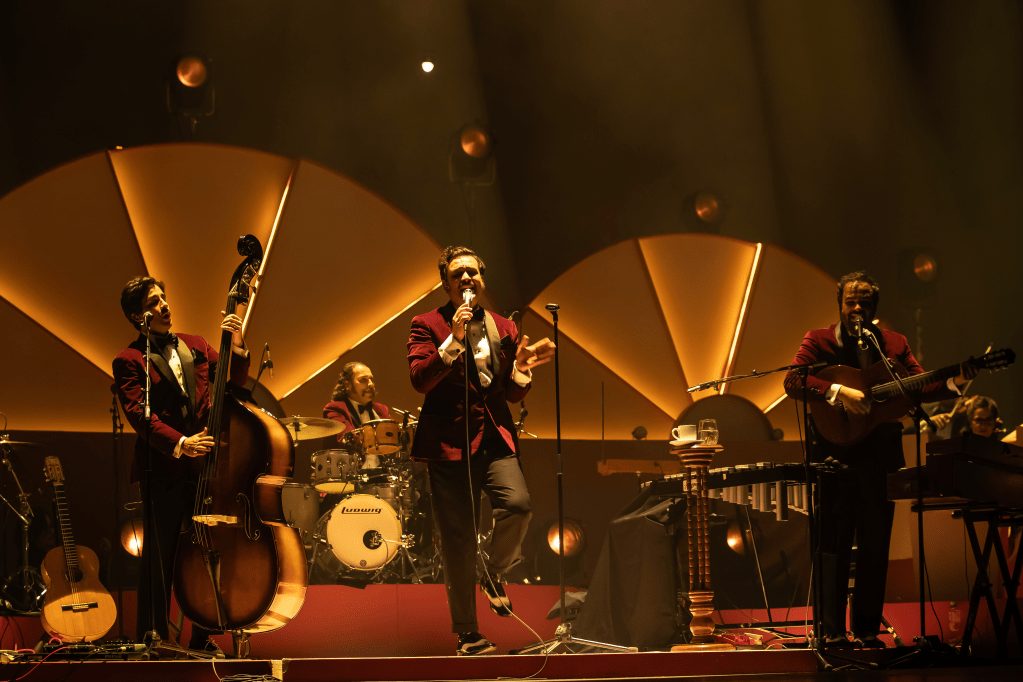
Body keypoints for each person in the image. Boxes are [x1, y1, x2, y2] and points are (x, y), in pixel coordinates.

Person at [784, 271, 975, 648]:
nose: (857, 308)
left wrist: (956, 381)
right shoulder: (818, 340)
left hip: (879, 455)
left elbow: (919, 385)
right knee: (833, 543)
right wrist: (839, 391)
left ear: (874, 307)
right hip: (833, 454)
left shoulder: (894, 343)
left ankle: (868, 630)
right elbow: (793, 381)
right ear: (840, 304)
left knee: (875, 544)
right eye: (851, 301)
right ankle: (832, 632)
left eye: (865, 302)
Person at [407, 245, 555, 656]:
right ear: (446, 284)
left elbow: (508, 390)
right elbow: (420, 379)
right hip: (448, 444)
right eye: (458, 274)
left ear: (482, 279)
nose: (466, 278)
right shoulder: (426, 324)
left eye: (472, 272)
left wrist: (523, 368)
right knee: (458, 541)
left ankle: (491, 573)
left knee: (519, 505)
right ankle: (468, 634)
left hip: (494, 439)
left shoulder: (505, 327)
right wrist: (453, 339)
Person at [113, 276, 250, 653]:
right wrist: (180, 444)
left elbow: (233, 384)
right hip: (165, 468)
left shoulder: (197, 345)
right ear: (137, 315)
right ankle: (153, 637)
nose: (164, 306)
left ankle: (203, 636)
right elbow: (140, 416)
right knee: (161, 557)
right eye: (154, 302)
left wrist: (236, 343)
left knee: (204, 552)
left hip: (205, 468)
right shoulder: (128, 360)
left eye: (164, 298)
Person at [323, 362, 391, 469]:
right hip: (351, 477)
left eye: (371, 379)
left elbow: (393, 439)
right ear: (347, 384)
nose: (370, 384)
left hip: (382, 475)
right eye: (363, 380)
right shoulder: (335, 408)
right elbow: (346, 439)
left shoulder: (381, 409)